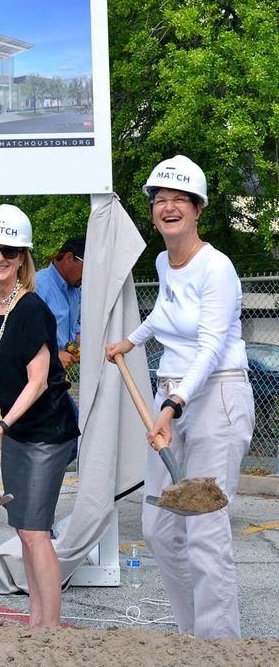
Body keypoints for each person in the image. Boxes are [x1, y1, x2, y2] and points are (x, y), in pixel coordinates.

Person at [104, 155, 253, 638]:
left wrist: (172, 407)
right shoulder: (163, 262)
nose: (168, 207)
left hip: (216, 395)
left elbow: (210, 345)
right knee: (159, 528)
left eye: (179, 200)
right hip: (170, 395)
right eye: (160, 200)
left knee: (205, 532)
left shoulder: (218, 267)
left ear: (197, 209)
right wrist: (133, 338)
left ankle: (218, 647)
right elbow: (166, 313)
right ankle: (193, 638)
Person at [0, 204, 79, 628]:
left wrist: (1, 426)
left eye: (9, 251)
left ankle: (49, 627)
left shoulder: (31, 307)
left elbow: (37, 381)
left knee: (36, 531)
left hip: (46, 431)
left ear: (23, 259)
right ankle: (36, 619)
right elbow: (8, 360)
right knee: (25, 530)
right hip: (19, 430)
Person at [34, 236, 84, 371]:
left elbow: (73, 325)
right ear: (69, 258)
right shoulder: (38, 285)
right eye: (88, 268)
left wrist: (81, 345)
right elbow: (25, 336)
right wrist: (53, 357)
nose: (89, 275)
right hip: (36, 373)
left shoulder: (75, 289)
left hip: (57, 373)